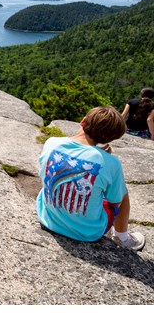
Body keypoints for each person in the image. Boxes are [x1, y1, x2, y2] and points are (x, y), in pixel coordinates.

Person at [36, 105, 145, 251]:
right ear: (110, 138)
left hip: (48, 219)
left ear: (83, 121)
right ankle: (122, 237)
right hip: (88, 232)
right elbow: (115, 202)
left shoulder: (52, 142)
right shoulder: (111, 163)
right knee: (121, 191)